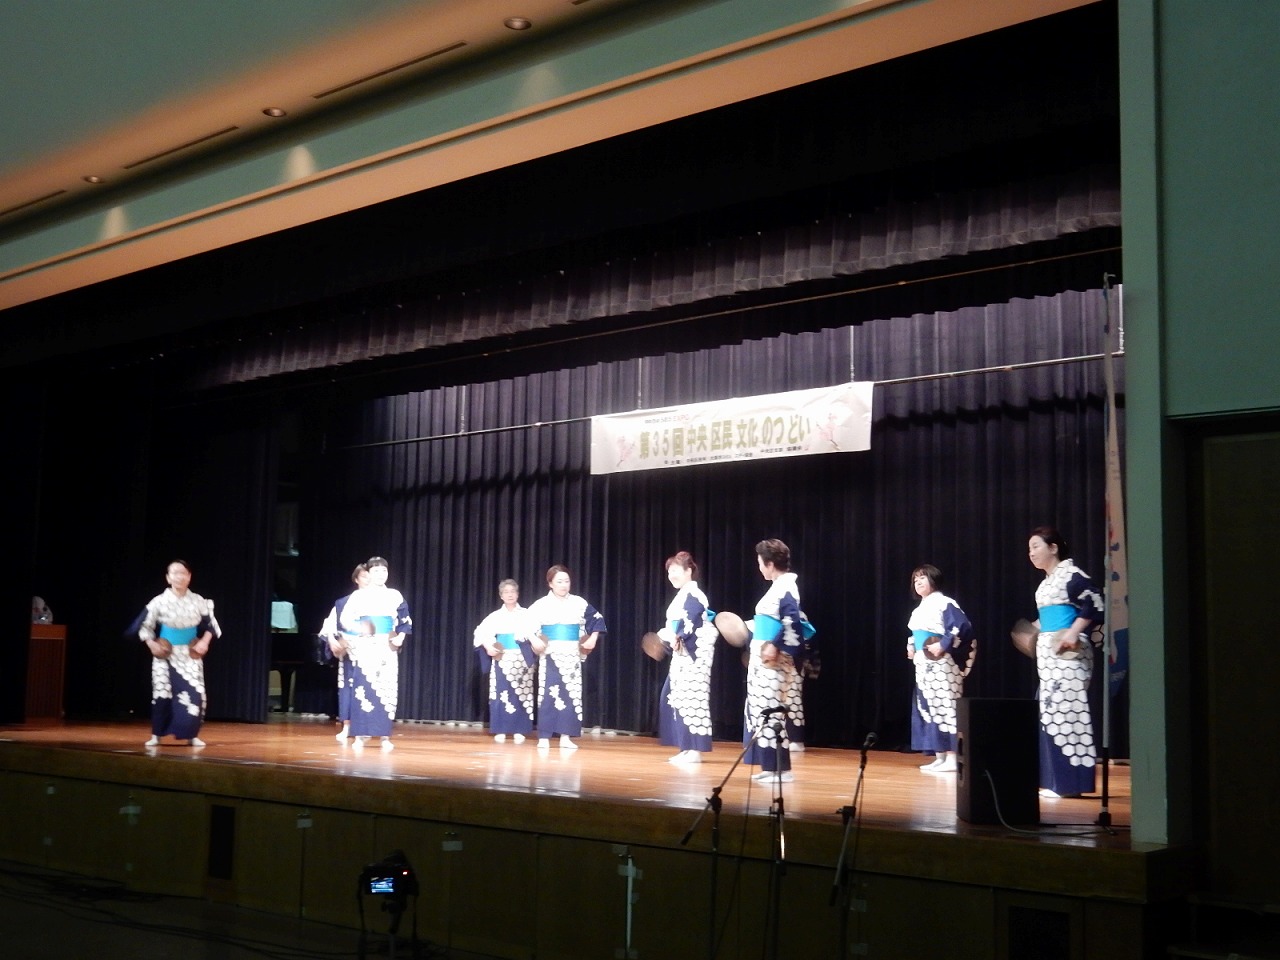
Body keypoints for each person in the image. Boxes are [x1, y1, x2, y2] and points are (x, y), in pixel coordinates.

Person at [1027, 526, 1105, 798]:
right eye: (1029, 549)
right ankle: (1056, 781)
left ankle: (1070, 784)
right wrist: (1031, 631)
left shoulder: (1072, 575)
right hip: (1050, 657)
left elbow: (1095, 602)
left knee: (1068, 713)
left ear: (1053, 547)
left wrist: (1073, 632)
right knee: (1050, 715)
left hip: (1069, 655)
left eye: (1036, 546)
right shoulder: (1045, 584)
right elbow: (1051, 618)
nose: (1031, 553)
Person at [743, 539, 815, 783]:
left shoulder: (786, 587)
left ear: (770, 564)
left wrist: (774, 644)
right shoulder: (778, 587)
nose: (759, 567)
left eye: (760, 563)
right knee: (764, 711)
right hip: (764, 657)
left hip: (774, 661)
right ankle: (771, 766)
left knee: (771, 711)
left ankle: (781, 770)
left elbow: (792, 620)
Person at [136, 559, 220, 747]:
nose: (179, 576)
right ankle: (157, 734)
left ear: (189, 577)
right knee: (162, 692)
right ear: (168, 577)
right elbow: (145, 625)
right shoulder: (158, 601)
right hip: (165, 654)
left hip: (190, 654)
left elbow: (211, 625)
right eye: (175, 573)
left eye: (183, 573)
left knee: (195, 693)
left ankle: (191, 735)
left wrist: (204, 642)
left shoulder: (198, 601)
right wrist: (151, 644)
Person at [527, 565, 607, 750]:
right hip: (550, 654)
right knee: (548, 695)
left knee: (571, 695)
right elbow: (525, 625)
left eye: (566, 581)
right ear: (550, 584)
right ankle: (544, 736)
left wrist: (593, 638)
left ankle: (566, 736)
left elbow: (597, 619)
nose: (564, 585)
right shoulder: (541, 605)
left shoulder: (579, 602)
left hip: (572, 655)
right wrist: (533, 639)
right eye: (559, 581)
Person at [906, 564, 976, 773]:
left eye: (922, 578)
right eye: (915, 579)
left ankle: (953, 757)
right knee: (929, 707)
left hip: (942, 663)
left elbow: (961, 626)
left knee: (946, 706)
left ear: (934, 579)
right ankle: (940, 755)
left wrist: (943, 644)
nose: (918, 582)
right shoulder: (919, 609)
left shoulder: (945, 603)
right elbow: (915, 633)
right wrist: (911, 646)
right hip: (924, 662)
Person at [338, 556, 411, 750]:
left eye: (384, 571)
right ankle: (360, 735)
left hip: (387, 647)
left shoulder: (394, 595)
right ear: (369, 573)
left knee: (387, 689)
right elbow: (345, 620)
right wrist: (365, 629)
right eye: (376, 571)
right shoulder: (358, 596)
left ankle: (385, 736)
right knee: (363, 689)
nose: (381, 574)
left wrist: (400, 637)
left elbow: (405, 620)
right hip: (366, 646)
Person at [656, 551, 716, 763]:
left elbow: (691, 622)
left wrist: (679, 636)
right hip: (683, 652)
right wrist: (668, 637)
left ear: (689, 571)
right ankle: (686, 747)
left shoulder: (694, 594)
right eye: (669, 572)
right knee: (677, 697)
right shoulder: (683, 594)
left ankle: (694, 750)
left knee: (692, 697)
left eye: (675, 571)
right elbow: (675, 625)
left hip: (693, 654)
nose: (671, 575)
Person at [473, 578, 537, 743]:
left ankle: (520, 729)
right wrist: (488, 646)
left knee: (522, 693)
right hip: (502, 657)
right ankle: (500, 729)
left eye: (513, 591)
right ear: (501, 595)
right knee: (501, 693)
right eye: (506, 592)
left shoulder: (527, 614)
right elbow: (480, 632)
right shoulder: (495, 616)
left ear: (518, 594)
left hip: (522, 657)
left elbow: (537, 633)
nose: (510, 595)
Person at [318, 563, 370, 743]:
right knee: (348, 688)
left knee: (368, 689)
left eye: (370, 576)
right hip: (349, 652)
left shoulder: (380, 602)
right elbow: (329, 624)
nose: (368, 580)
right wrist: (332, 640)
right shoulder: (343, 603)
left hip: (370, 653)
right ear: (356, 579)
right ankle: (347, 726)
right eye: (364, 576)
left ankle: (366, 728)